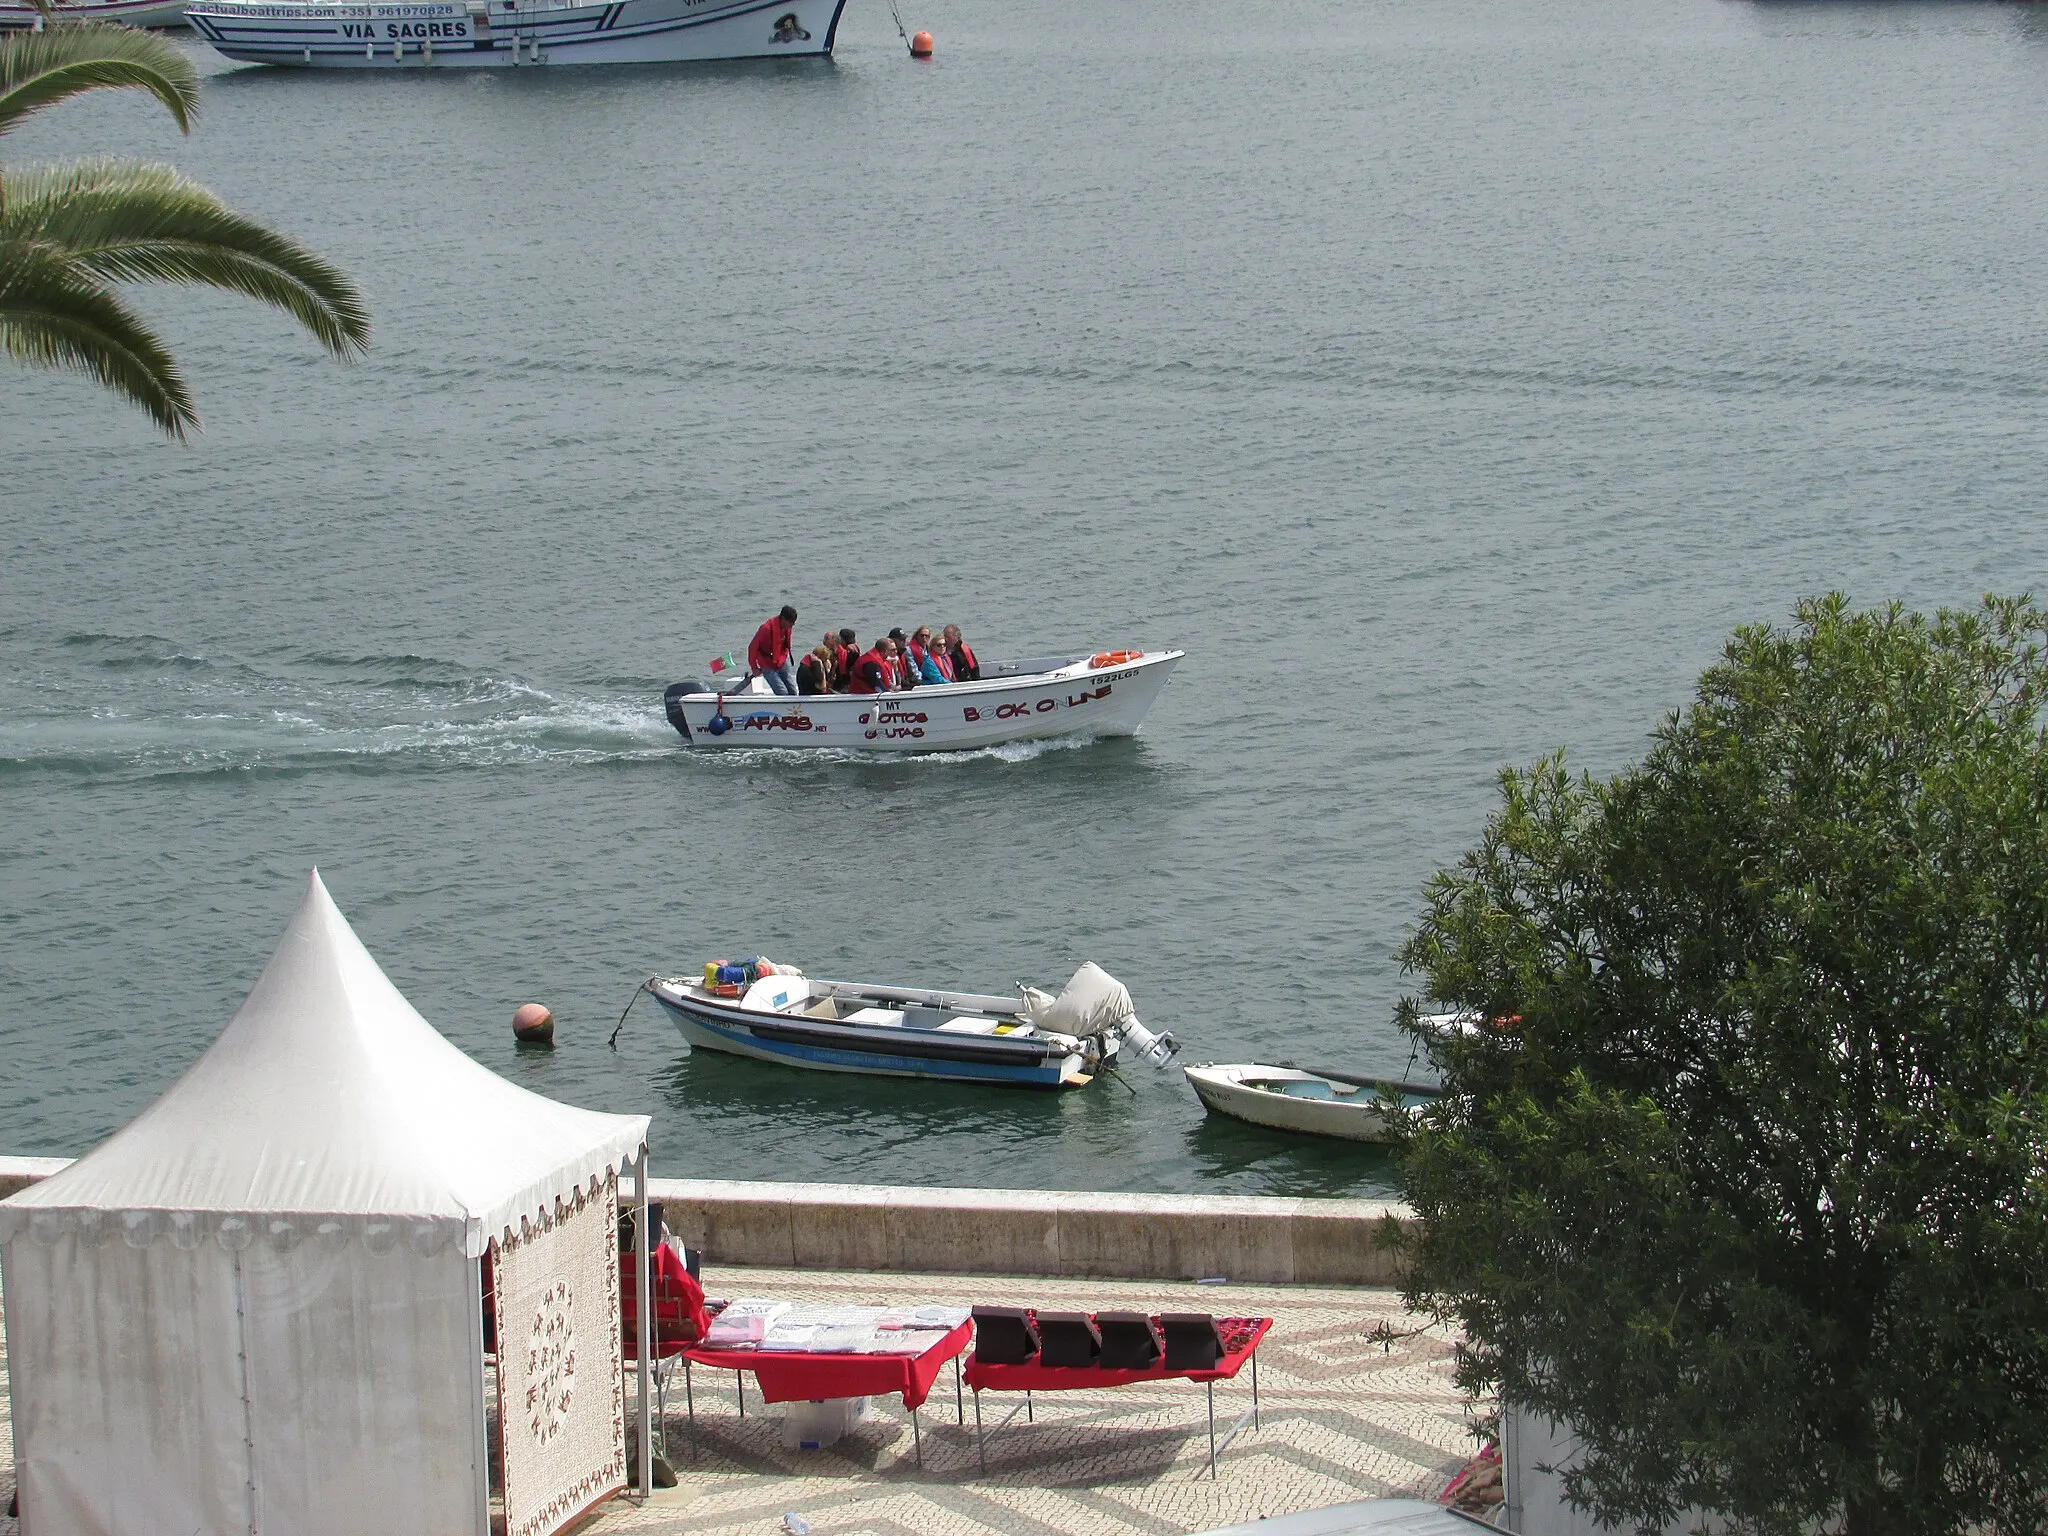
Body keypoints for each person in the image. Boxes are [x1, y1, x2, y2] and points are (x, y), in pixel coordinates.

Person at [748, 604, 799, 695]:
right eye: (790, 623)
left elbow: (786, 647)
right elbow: (752, 648)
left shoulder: (788, 628)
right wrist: (754, 667)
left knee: (793, 691)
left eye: (793, 623)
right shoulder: (766, 628)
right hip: (766, 663)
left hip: (781, 661)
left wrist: (781, 659)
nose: (792, 626)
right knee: (782, 692)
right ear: (783, 619)